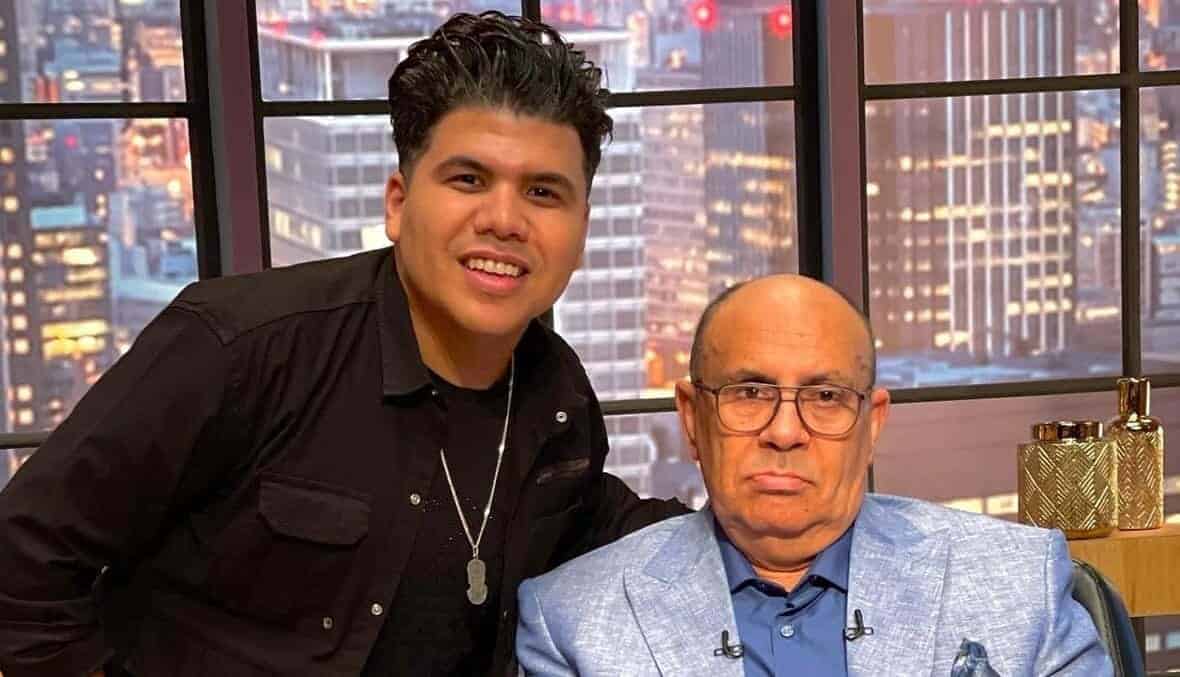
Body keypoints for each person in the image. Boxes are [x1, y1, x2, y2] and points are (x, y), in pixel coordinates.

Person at [0, 12, 686, 677]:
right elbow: (22, 558)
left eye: (543, 192)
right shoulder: (241, 346)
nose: (504, 220)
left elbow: (601, 529)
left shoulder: (556, 394)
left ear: (581, 228)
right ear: (397, 203)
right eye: (468, 179)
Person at [516, 274, 1112, 676]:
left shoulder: (1018, 581)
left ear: (871, 424)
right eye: (750, 392)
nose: (784, 432)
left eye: (825, 396)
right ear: (692, 418)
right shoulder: (572, 619)